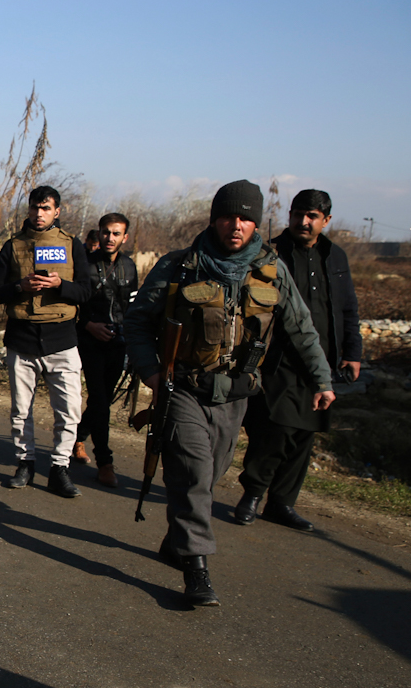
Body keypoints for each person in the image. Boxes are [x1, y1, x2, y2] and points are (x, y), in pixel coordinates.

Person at [125, 180, 334, 607]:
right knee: (193, 471)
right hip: (183, 385)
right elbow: (137, 321)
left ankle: (177, 542)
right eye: (227, 216)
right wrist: (149, 371)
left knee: (212, 472)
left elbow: (300, 328)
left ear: (255, 222)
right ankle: (196, 568)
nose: (235, 225)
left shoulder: (271, 269)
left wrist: (323, 380)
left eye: (244, 218)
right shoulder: (180, 265)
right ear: (214, 219)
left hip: (235, 394)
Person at [236, 189, 360, 531]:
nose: (303, 222)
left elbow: (348, 309)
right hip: (278, 359)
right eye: (298, 214)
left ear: (326, 220)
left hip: (321, 361)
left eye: (312, 216)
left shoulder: (336, 258)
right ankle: (253, 493)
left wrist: (353, 353)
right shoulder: (270, 254)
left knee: (307, 432)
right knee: (277, 427)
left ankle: (282, 502)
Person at [0, 185, 90, 497]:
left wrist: (60, 285)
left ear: (57, 211)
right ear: (28, 209)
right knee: (21, 409)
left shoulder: (72, 245)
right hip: (23, 338)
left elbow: (86, 291)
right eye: (34, 207)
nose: (39, 213)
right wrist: (20, 286)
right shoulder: (13, 245)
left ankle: (59, 468)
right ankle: (25, 463)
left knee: (70, 411)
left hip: (62, 339)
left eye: (46, 208)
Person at [73, 213, 138, 487]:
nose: (110, 238)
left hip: (118, 343)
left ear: (125, 237)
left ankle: (77, 436)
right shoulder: (84, 265)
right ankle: (105, 461)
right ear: (98, 234)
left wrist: (136, 346)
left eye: (116, 233)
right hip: (89, 343)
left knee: (102, 401)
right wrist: (89, 325)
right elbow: (72, 307)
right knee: (99, 400)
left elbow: (134, 309)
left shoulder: (130, 267)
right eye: (106, 232)